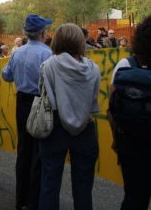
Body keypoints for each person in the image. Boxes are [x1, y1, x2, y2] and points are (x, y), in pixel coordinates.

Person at [38, 24, 100, 210]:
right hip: (85, 129)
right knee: (83, 187)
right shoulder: (93, 68)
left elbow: (44, 96)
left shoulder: (48, 65)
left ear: (57, 40)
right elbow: (94, 99)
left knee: (49, 183)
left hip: (55, 127)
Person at [2, 14, 53, 210]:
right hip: (39, 102)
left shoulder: (17, 52)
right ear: (42, 33)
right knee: (38, 151)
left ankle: (20, 199)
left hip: (22, 102)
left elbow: (6, 75)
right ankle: (34, 201)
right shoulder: (47, 53)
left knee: (23, 150)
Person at [109, 15, 151, 210]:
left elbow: (112, 109)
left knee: (134, 196)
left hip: (131, 145)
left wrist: (117, 141)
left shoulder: (125, 66)